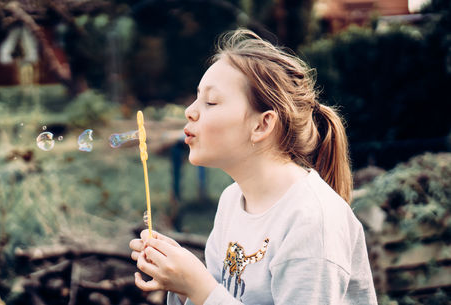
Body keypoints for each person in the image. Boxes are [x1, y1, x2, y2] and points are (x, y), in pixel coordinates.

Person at [129, 28, 378, 305]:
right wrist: (180, 281)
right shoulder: (232, 201)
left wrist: (200, 288)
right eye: (197, 97)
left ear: (262, 124)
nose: (190, 111)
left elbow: (210, 296)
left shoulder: (312, 222)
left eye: (211, 101)